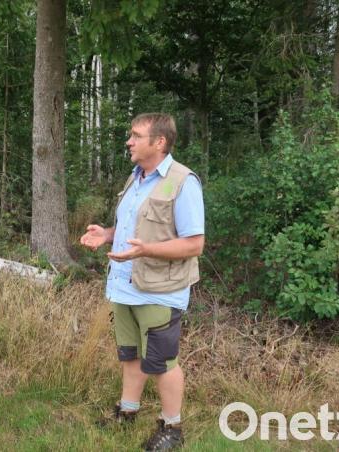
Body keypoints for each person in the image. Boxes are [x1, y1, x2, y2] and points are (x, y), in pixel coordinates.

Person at [79, 113, 204, 451]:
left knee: (161, 362)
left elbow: (194, 244)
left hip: (160, 290)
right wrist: (107, 234)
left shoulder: (182, 182)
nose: (129, 141)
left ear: (159, 142)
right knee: (130, 354)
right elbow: (137, 229)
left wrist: (147, 250)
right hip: (125, 285)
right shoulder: (136, 177)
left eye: (136, 136)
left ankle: (172, 428)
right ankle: (127, 411)